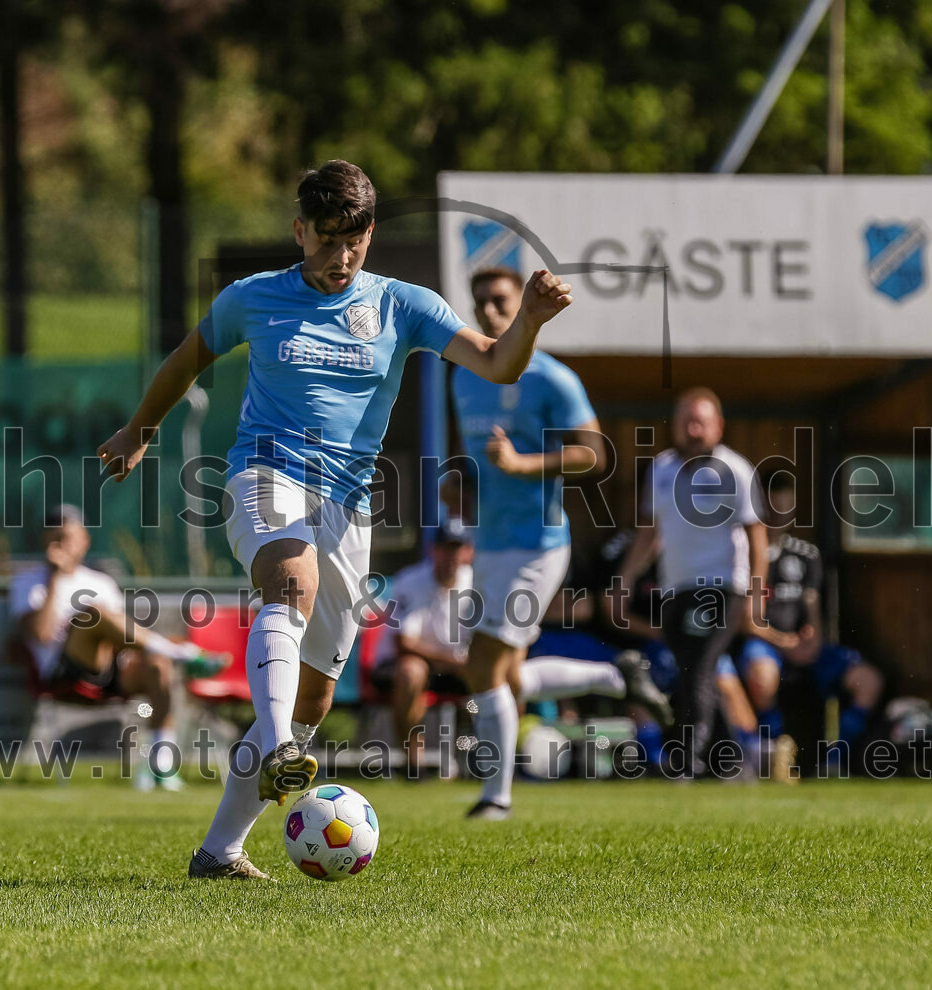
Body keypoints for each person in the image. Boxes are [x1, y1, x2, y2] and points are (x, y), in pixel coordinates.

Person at [97, 160, 575, 879]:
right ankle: (284, 755)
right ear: (299, 231)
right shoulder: (253, 298)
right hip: (264, 475)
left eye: (353, 242)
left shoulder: (403, 305)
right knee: (289, 580)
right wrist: (139, 428)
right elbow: (186, 360)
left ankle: (221, 849)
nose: (339, 257)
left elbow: (498, 363)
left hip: (347, 510)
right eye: (325, 240)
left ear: (370, 233)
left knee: (312, 699)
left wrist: (531, 321)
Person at [451, 266, 671, 820]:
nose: (489, 311)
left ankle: (495, 798)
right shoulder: (464, 374)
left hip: (537, 545)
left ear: (522, 303)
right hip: (490, 542)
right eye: (480, 302)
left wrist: (525, 465)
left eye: (500, 299)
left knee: (482, 666)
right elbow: (480, 460)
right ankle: (618, 674)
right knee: (507, 675)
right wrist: (461, 485)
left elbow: (595, 453)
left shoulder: (552, 378)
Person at [9, 504, 226, 790]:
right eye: (55, 538)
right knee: (95, 613)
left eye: (68, 537)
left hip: (110, 670)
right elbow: (41, 635)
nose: (61, 545)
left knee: (156, 666)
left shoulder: (101, 581)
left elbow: (121, 640)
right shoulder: (27, 581)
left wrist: (143, 654)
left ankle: (160, 765)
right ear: (44, 541)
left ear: (84, 540)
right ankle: (180, 653)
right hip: (63, 671)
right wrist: (54, 578)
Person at [615, 387, 768, 779]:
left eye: (700, 420)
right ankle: (734, 762)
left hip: (720, 587)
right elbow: (650, 533)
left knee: (699, 668)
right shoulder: (662, 468)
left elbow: (757, 538)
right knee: (691, 670)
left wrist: (756, 594)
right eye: (685, 420)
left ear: (718, 425)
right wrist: (625, 581)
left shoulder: (735, 470)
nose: (693, 428)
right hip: (675, 590)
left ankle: (687, 759)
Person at [729, 473, 883, 775]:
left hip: (803, 648)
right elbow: (746, 622)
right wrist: (783, 643)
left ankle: (836, 760)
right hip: (764, 645)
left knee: (869, 680)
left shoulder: (806, 555)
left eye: (785, 509)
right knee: (763, 677)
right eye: (771, 509)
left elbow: (813, 609)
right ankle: (772, 758)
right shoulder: (743, 556)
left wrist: (812, 642)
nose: (778, 516)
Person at [370, 517, 474, 778]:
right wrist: (454, 662)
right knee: (411, 673)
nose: (451, 555)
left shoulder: (477, 582)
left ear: (468, 552)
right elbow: (404, 644)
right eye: (446, 547)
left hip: (454, 668)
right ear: (433, 550)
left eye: (457, 547)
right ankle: (413, 765)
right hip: (403, 664)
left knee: (499, 672)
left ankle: (489, 762)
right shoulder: (411, 580)